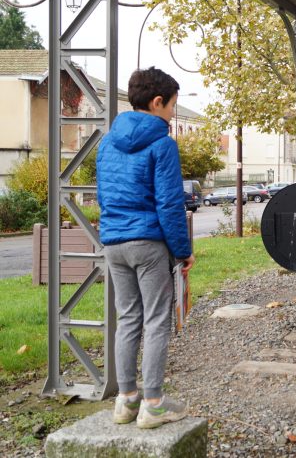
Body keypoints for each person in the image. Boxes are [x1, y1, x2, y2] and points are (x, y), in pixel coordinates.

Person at [97, 67, 195, 429]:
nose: (172, 114)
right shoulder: (162, 144)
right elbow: (169, 205)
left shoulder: (107, 142)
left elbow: (105, 196)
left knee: (128, 319)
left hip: (114, 244)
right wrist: (183, 251)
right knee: (156, 321)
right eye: (171, 107)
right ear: (157, 102)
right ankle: (153, 404)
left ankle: (126, 401)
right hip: (148, 245)